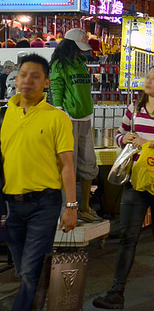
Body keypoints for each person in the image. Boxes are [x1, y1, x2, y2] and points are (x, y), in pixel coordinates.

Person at [93, 63, 154, 308]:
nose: (148, 81)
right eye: (147, 77)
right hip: (136, 180)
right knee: (128, 236)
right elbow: (120, 133)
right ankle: (117, 292)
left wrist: (147, 142)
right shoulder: (135, 108)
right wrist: (123, 138)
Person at [1, 54, 77, 310]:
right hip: (13, 205)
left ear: (46, 82)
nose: (27, 81)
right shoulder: (6, 114)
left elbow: (67, 165)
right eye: (23, 75)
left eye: (35, 76)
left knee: (31, 271)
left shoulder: (57, 118)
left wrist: (72, 206)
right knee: (24, 271)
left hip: (44, 204)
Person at [50, 28, 101, 222]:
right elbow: (56, 86)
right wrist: (60, 109)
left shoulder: (80, 63)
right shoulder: (59, 65)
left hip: (85, 117)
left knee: (88, 163)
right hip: (69, 118)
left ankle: (85, 207)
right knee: (68, 164)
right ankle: (67, 208)